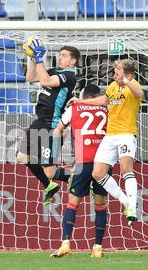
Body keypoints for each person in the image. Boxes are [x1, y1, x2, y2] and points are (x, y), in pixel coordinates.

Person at [71, 59, 144, 226]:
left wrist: (125, 80)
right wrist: (80, 101)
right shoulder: (112, 87)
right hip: (110, 135)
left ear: (128, 74)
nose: (114, 73)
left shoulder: (132, 85)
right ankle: (127, 203)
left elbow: (140, 94)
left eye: (117, 70)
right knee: (97, 173)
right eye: (114, 70)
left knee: (126, 169)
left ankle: (132, 205)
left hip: (126, 133)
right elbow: (103, 100)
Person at [17, 39, 80, 205]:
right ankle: (49, 186)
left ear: (73, 61)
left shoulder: (69, 76)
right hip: (39, 122)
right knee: (22, 157)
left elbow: (46, 81)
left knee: (50, 171)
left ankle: (75, 176)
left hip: (52, 126)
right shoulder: (55, 71)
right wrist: (32, 57)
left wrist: (39, 59)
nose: (61, 58)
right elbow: (30, 77)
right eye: (60, 55)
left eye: (65, 56)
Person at [50, 85, 111, 258]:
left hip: (83, 162)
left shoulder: (74, 108)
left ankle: (65, 243)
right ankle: (97, 247)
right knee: (100, 205)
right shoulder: (107, 110)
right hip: (103, 163)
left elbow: (58, 130)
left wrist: (54, 156)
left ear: (83, 96)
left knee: (72, 204)